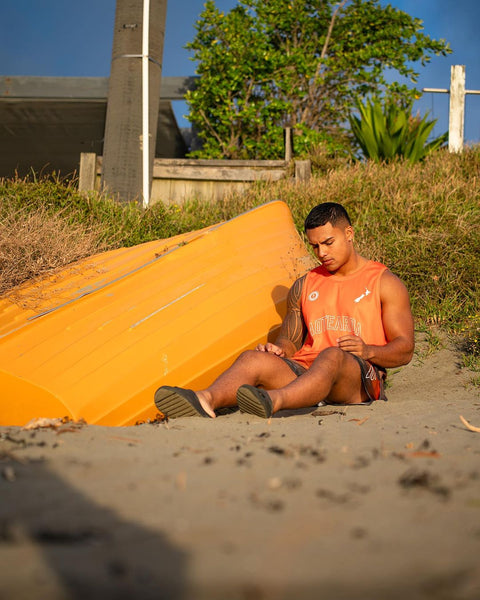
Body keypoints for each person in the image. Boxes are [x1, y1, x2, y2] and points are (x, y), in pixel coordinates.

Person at [154, 202, 414, 419]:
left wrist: (369, 350)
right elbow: (291, 340)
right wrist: (280, 350)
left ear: (349, 233)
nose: (321, 253)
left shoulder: (384, 282)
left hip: (358, 378)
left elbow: (405, 348)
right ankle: (205, 399)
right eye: (314, 246)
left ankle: (271, 401)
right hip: (306, 373)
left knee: (332, 356)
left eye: (328, 242)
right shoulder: (304, 284)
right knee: (252, 358)